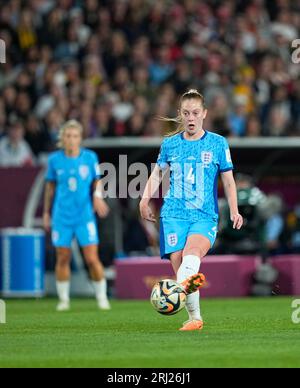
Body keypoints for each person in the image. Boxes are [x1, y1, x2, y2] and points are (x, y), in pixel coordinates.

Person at [140, 89, 243, 331]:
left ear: (204, 114)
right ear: (180, 115)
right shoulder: (170, 144)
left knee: (191, 256)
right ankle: (195, 318)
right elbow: (157, 174)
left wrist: (234, 210)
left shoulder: (218, 143)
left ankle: (188, 305)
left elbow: (228, 180)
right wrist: (144, 200)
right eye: (186, 113)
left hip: (204, 216)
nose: (191, 118)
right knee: (182, 269)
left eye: (195, 113)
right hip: (173, 215)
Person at [43, 120, 111, 312]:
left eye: (75, 136)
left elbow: (98, 182)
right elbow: (50, 188)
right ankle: (63, 300)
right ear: (62, 138)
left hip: (84, 216)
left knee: (91, 258)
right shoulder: (54, 160)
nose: (71, 140)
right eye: (68, 136)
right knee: (62, 257)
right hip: (61, 217)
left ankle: (102, 297)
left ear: (80, 138)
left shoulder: (89, 158)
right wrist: (47, 213)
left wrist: (97, 197)